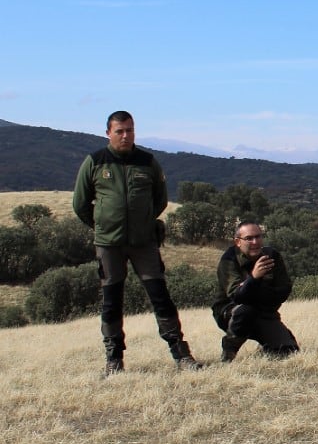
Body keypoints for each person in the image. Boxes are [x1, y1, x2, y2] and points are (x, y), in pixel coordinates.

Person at [72, 110, 202, 375]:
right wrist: (103, 226)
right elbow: (80, 204)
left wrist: (142, 221)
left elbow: (160, 200)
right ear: (108, 132)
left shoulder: (147, 161)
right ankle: (114, 361)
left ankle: (182, 355)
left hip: (144, 243)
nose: (125, 135)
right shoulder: (95, 161)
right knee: (111, 301)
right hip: (109, 245)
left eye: (130, 130)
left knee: (160, 297)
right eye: (119, 131)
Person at [212, 221, 299, 362]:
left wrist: (249, 288)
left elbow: (284, 291)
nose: (255, 242)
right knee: (246, 311)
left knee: (289, 351)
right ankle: (229, 351)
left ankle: (265, 345)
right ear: (238, 242)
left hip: (265, 312)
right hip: (230, 313)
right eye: (249, 238)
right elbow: (237, 297)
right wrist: (254, 278)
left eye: (258, 237)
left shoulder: (272, 256)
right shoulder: (229, 260)